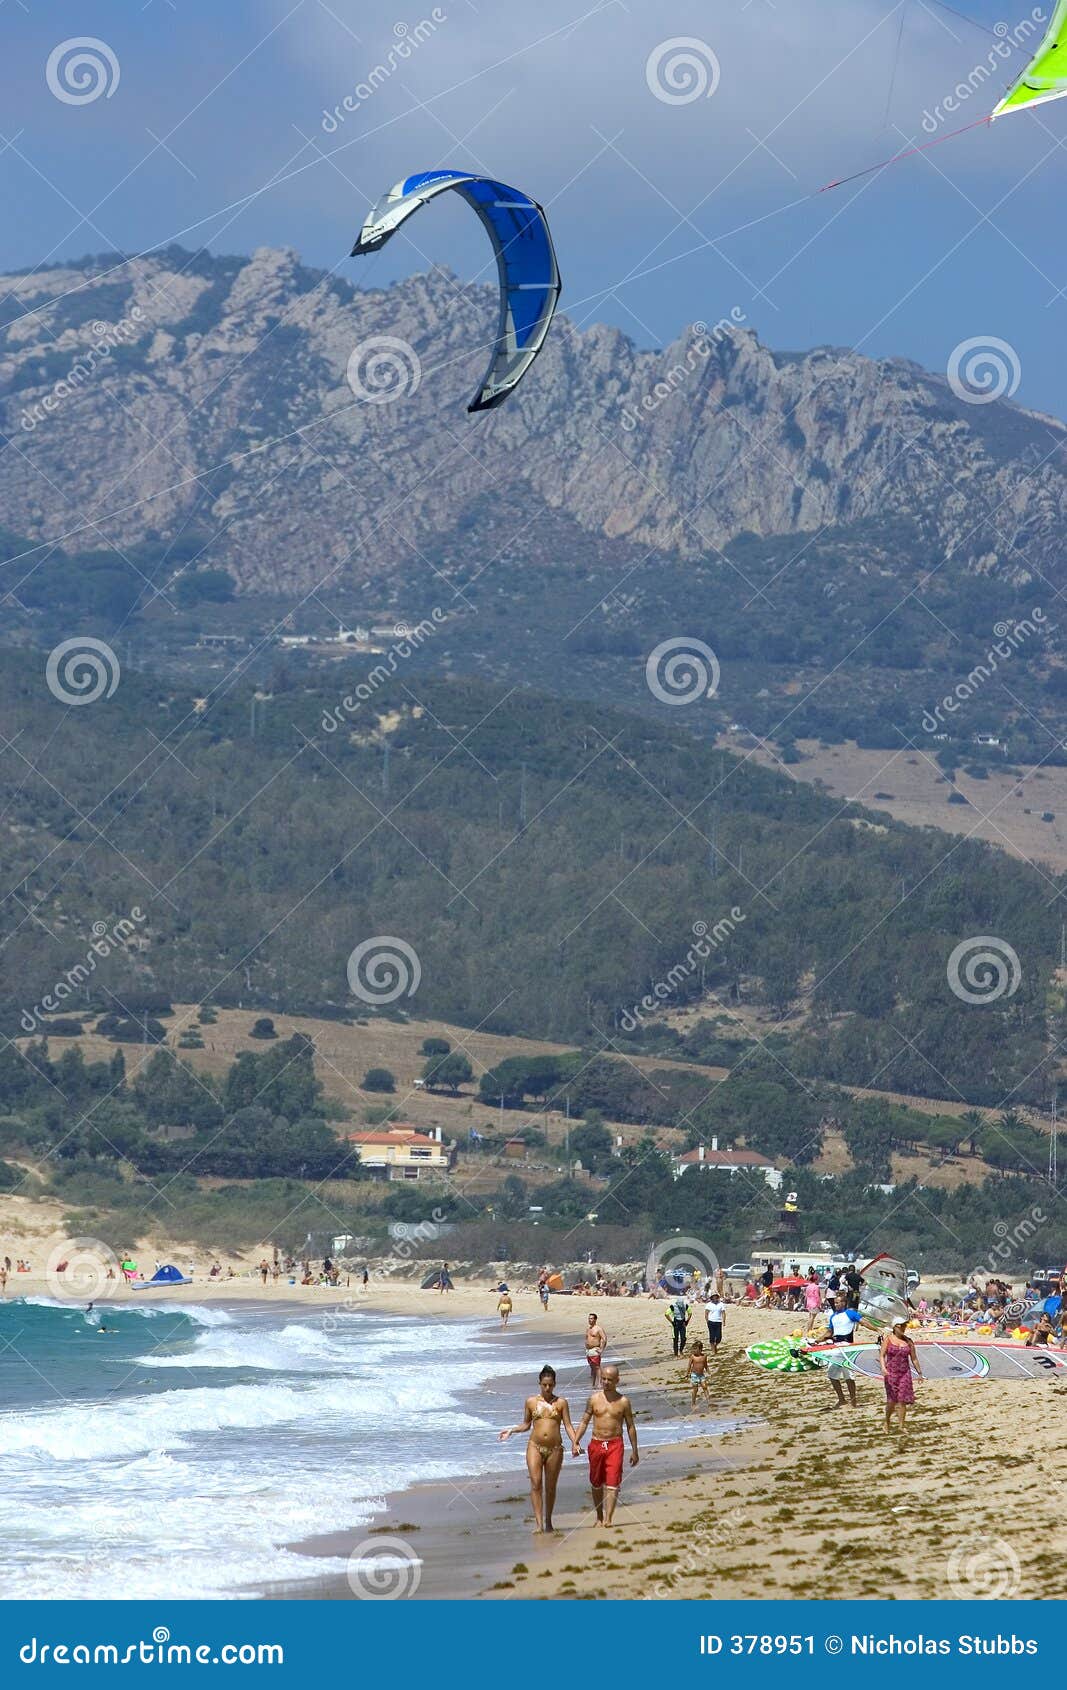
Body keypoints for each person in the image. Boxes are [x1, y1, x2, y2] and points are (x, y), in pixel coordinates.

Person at [499, 1365, 578, 1534]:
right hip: (534, 1446)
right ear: (540, 1384)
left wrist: (575, 1442)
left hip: (555, 1448)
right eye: (544, 1385)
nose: (547, 1388)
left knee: (550, 1486)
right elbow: (526, 1424)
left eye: (550, 1385)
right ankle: (538, 1524)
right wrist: (511, 1431)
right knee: (536, 1483)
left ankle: (548, 1521)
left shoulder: (561, 1403)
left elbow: (568, 1425)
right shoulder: (531, 1402)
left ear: (555, 1384)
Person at [572, 1363, 639, 1527]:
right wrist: (575, 1441)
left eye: (610, 1379)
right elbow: (584, 1421)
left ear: (617, 1380)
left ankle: (608, 1518)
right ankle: (599, 1516)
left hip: (615, 1444)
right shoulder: (594, 1399)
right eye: (603, 1379)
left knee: (613, 1481)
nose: (606, 1382)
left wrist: (635, 1450)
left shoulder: (623, 1402)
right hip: (597, 1443)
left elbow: (630, 1426)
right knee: (596, 1482)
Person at [880, 1314, 923, 1431]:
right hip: (891, 1373)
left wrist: (919, 1373)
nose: (904, 1328)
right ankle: (887, 1422)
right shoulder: (888, 1339)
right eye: (901, 1326)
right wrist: (883, 1368)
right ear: (895, 1327)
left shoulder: (908, 1341)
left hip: (905, 1373)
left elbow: (914, 1358)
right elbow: (882, 1355)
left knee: (902, 1400)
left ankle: (901, 1426)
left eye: (905, 1326)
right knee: (892, 1401)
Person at [823, 1293, 862, 1408]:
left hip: (847, 1348)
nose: (836, 1304)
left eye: (838, 1302)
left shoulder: (850, 1314)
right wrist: (817, 1340)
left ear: (844, 1303)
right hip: (836, 1348)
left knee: (848, 1375)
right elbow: (829, 1332)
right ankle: (841, 1399)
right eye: (835, 1303)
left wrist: (877, 1330)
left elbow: (863, 1322)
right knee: (831, 1375)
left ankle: (853, 1401)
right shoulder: (833, 1317)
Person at [685, 1340, 711, 1407]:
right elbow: (689, 1365)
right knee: (695, 1389)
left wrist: (708, 1371)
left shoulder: (704, 1356)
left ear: (700, 1349)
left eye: (695, 1349)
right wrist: (687, 1373)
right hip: (694, 1375)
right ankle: (693, 1403)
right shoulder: (692, 1356)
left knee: (705, 1387)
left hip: (701, 1375)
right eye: (693, 1349)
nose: (694, 1350)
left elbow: (705, 1365)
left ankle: (709, 1402)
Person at [585, 1311, 606, 1386]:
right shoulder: (588, 1329)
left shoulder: (599, 1329)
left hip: (595, 1350)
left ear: (595, 1319)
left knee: (597, 1367)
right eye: (589, 1318)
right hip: (588, 1351)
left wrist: (601, 1349)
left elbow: (604, 1339)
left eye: (591, 1318)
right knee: (592, 1368)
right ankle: (593, 1384)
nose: (589, 1320)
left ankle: (600, 1383)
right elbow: (587, 1338)